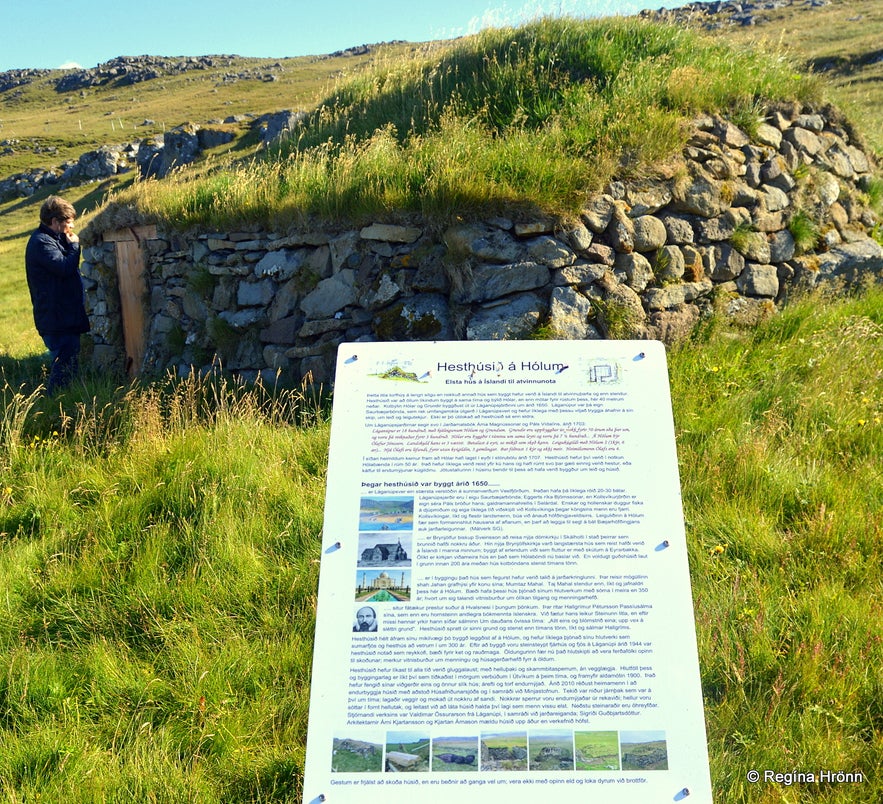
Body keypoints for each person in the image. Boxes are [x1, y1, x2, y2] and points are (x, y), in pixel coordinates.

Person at [25, 196, 90, 393]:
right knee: (63, 368)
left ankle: (64, 403)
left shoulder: (51, 238)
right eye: (68, 222)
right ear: (55, 222)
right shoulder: (41, 243)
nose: (71, 226)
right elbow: (63, 267)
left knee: (68, 364)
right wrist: (75, 247)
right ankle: (56, 407)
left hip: (62, 316)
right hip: (57, 319)